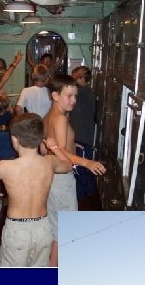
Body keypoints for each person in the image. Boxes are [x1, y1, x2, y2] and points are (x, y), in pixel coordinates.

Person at [43, 74, 107, 267]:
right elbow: (60, 151)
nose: (74, 100)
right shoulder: (60, 118)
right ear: (55, 95)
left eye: (75, 96)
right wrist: (86, 163)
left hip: (54, 178)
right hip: (61, 180)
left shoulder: (50, 115)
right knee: (63, 231)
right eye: (69, 96)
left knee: (56, 229)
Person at [0, 113, 71, 267]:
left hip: (17, 230)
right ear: (40, 140)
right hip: (43, 228)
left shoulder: (5, 166)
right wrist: (54, 147)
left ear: (14, 139)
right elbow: (68, 165)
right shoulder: (49, 162)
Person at [69, 66, 97, 200]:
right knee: (81, 168)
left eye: (75, 76)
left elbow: (68, 84)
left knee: (82, 170)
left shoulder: (83, 92)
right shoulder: (81, 92)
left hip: (83, 136)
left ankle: (85, 198)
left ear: (81, 77)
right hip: (80, 135)